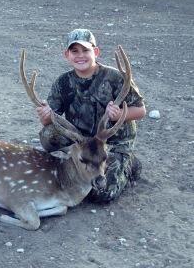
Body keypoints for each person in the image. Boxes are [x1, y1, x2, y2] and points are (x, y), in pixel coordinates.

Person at [37, 29, 146, 203]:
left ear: (95, 52)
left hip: (111, 143)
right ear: (67, 55)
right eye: (75, 51)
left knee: (100, 193)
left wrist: (119, 115)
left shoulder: (116, 78)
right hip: (82, 142)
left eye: (86, 50)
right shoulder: (62, 82)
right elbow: (48, 120)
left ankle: (128, 162)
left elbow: (141, 111)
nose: (80, 56)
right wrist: (46, 115)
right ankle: (76, 159)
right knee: (48, 135)